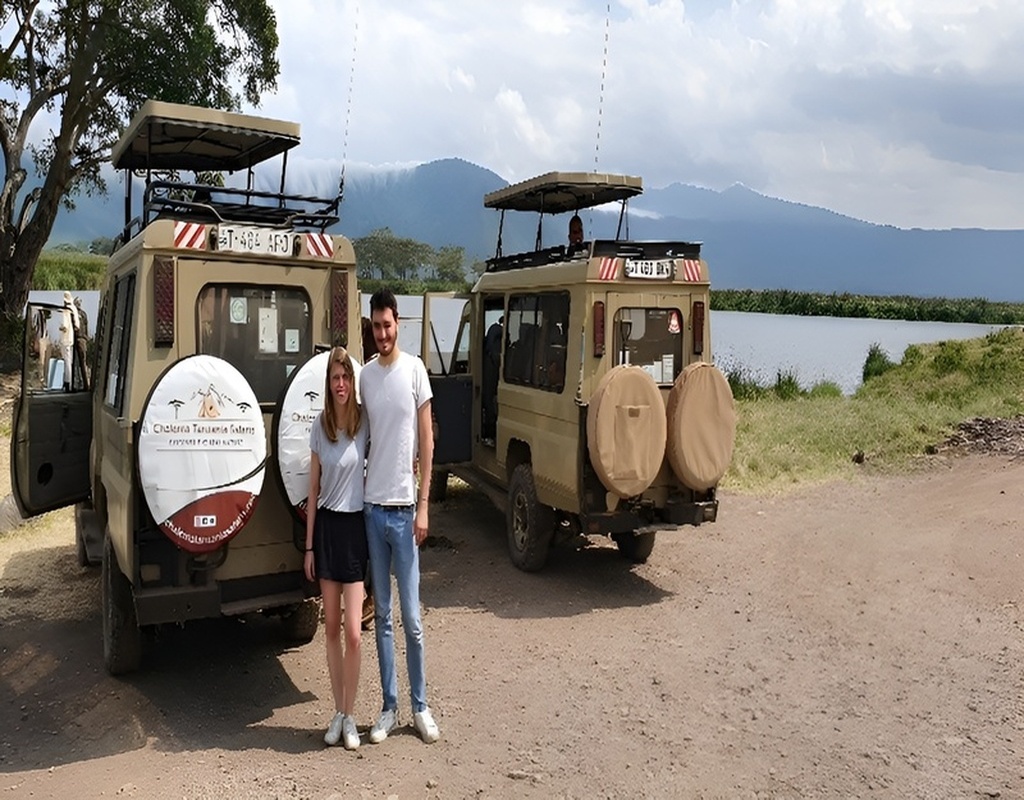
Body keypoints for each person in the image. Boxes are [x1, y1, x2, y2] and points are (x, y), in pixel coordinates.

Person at [359, 287, 440, 744]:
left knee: (412, 617)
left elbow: (426, 442)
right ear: (370, 328)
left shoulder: (414, 372)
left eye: (388, 325)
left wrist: (424, 504)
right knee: (383, 615)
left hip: (406, 512)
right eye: (376, 327)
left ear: (398, 324)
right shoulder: (366, 376)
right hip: (373, 510)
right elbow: (357, 437)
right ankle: (389, 707)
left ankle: (420, 707)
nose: (383, 333)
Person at [305, 346, 369, 750]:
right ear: (328, 384)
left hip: (356, 528)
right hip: (328, 527)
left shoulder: (364, 424)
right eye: (335, 378)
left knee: (354, 634)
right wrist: (309, 546)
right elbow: (312, 489)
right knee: (329, 628)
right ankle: (339, 713)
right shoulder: (320, 426)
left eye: (346, 377)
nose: (341, 384)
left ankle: (351, 715)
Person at [58, 291, 78, 390]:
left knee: (67, 361)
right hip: (71, 338)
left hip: (66, 339)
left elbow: (65, 327)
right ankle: (69, 381)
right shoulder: (74, 309)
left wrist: (60, 328)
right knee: (69, 360)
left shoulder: (65, 310)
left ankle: (67, 382)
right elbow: (77, 325)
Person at [73, 296, 89, 382]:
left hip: (80, 339)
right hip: (76, 339)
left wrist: (85, 338)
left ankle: (84, 381)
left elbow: (85, 326)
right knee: (76, 362)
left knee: (82, 361)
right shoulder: (73, 313)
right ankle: (78, 380)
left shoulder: (82, 314)